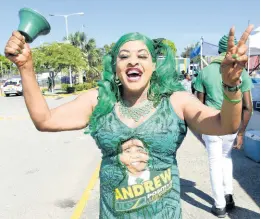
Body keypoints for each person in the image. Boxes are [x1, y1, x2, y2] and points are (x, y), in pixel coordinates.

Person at [4, 25, 253, 219]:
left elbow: (224, 125)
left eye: (142, 56)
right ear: (115, 67)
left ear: (153, 66)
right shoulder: (98, 101)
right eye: (124, 56)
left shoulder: (177, 101)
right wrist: (26, 67)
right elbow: (44, 120)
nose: (133, 61)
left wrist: (231, 85)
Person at [194, 35, 253, 217]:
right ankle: (229, 197)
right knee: (226, 157)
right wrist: (241, 132)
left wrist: (199, 129)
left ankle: (219, 205)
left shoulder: (205, 72)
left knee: (215, 162)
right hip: (232, 124)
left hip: (211, 124)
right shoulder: (241, 72)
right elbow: (248, 106)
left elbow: (199, 104)